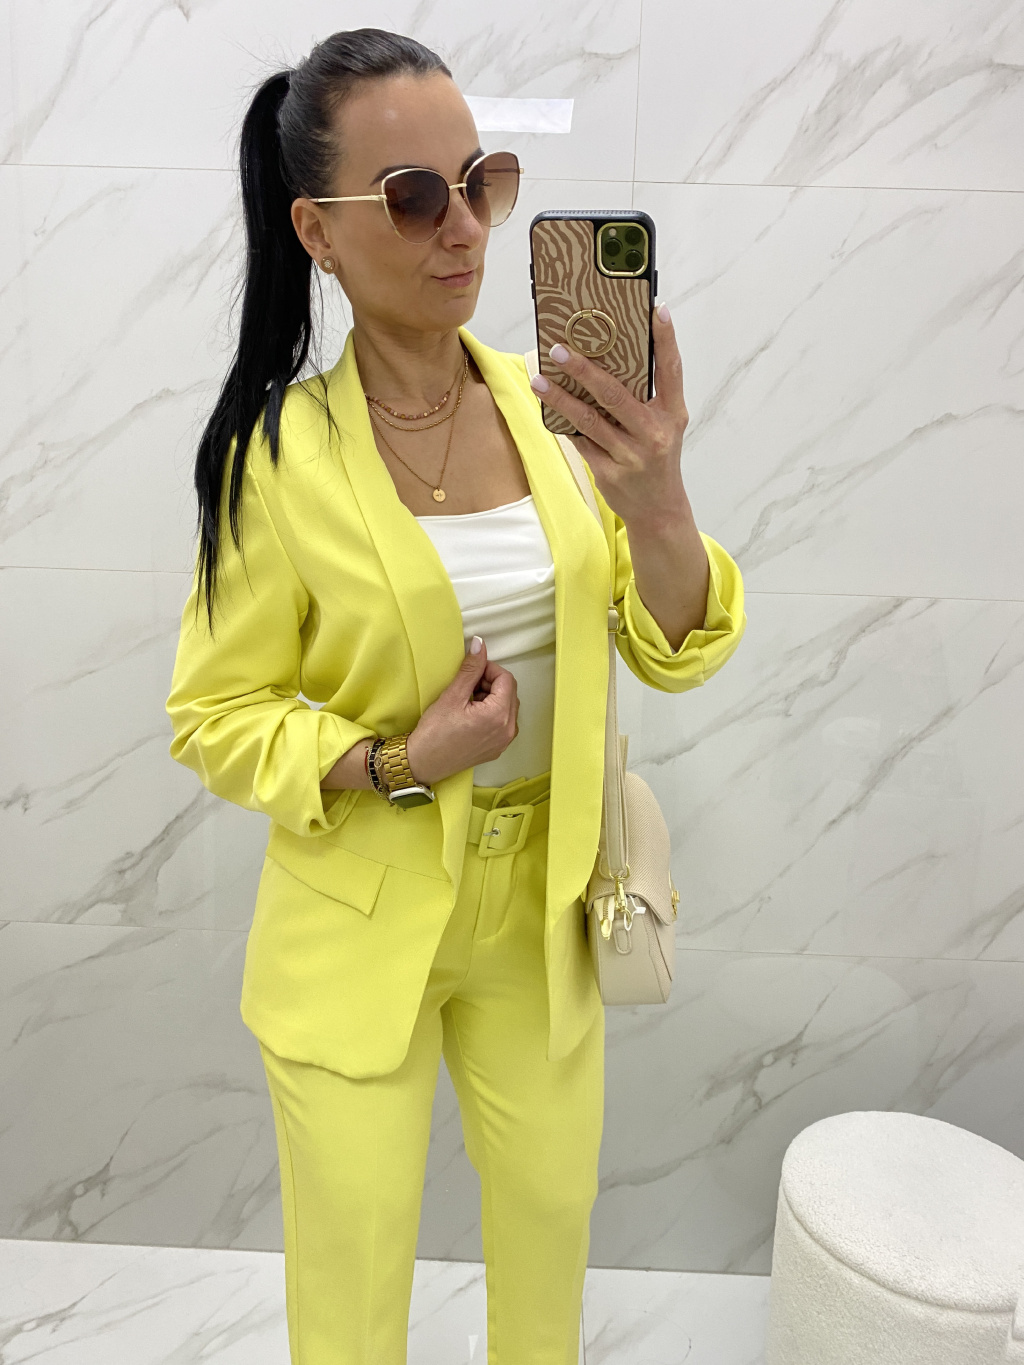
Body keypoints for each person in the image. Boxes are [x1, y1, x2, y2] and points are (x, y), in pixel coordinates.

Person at [164, 26, 746, 1365]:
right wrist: (397, 758)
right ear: (317, 230)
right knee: (355, 1278)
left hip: (544, 909)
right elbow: (215, 714)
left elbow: (676, 643)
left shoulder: (561, 418)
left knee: (547, 1248)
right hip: (358, 914)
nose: (465, 227)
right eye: (415, 195)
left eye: (481, 182)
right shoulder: (276, 459)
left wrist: (660, 501)